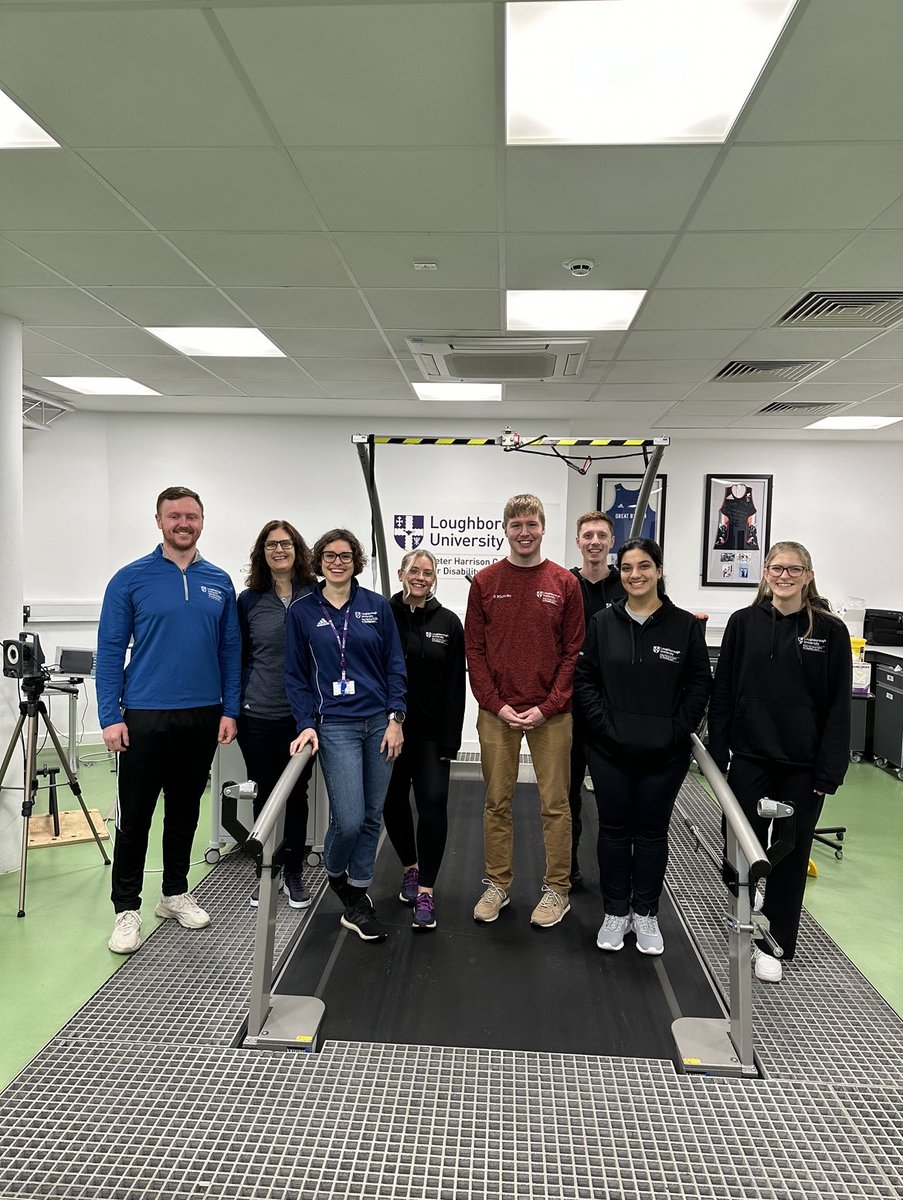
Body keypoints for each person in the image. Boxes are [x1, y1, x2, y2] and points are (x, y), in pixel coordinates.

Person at [96, 486, 241, 955]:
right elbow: (111, 650)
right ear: (158, 521)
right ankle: (125, 909)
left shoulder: (219, 581)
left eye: (192, 516)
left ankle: (174, 894)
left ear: (203, 521)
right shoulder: (130, 579)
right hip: (143, 714)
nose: (184, 523)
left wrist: (229, 708)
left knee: (184, 812)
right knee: (134, 817)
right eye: (174, 515)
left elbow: (230, 651)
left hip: (201, 714)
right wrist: (108, 715)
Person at [707, 540, 851, 983]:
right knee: (739, 845)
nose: (783, 576)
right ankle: (743, 911)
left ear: (808, 575)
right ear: (765, 573)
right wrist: (717, 753)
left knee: (790, 855)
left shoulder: (829, 632)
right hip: (749, 757)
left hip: (802, 767)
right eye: (775, 568)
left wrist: (829, 771)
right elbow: (724, 692)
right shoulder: (744, 623)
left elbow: (838, 708)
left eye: (793, 569)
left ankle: (776, 942)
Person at [574, 538, 711, 956]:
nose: (636, 575)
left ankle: (646, 913)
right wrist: (604, 728)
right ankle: (616, 911)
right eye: (628, 567)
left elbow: (699, 684)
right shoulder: (602, 622)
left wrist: (675, 732)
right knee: (613, 832)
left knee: (651, 834)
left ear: (659, 570)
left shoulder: (684, 625)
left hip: (664, 754)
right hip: (610, 751)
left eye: (644, 566)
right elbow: (586, 680)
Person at [464, 494, 584, 929]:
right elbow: (473, 651)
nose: (524, 532)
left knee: (556, 804)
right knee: (497, 802)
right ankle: (497, 883)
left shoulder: (563, 583)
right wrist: (497, 705)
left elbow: (574, 653)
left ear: (543, 527)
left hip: (551, 714)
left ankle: (558, 890)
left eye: (531, 523)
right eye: (516, 524)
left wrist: (547, 706)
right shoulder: (485, 581)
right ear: (506, 529)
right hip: (498, 714)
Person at [285, 529, 406, 942]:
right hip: (334, 725)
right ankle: (338, 879)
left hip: (378, 722)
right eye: (330, 556)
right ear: (318, 561)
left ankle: (357, 896)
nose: (338, 562)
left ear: (357, 561)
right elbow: (296, 677)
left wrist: (396, 718)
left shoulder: (376, 607)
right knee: (350, 818)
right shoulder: (302, 611)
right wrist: (305, 723)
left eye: (347, 556)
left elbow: (394, 664)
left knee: (373, 816)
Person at [383, 550, 466, 932]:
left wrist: (451, 742)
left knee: (433, 803)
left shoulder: (449, 623)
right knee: (392, 801)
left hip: (432, 735)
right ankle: (410, 869)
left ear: (435, 578)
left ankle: (427, 892)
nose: (419, 577)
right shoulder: (383, 614)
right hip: (389, 731)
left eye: (427, 572)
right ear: (401, 573)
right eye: (413, 570)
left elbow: (454, 688)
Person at [238, 520, 317, 909]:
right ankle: (265, 872)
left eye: (285, 544)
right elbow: (236, 657)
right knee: (265, 795)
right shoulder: (249, 600)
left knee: (297, 796)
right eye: (271, 545)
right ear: (262, 552)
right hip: (259, 715)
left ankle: (293, 872)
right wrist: (231, 710)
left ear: (297, 549)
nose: (279, 550)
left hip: (302, 718)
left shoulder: (316, 595)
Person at [568, 510, 626, 886]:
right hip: (570, 709)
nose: (594, 541)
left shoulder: (628, 586)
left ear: (611, 542)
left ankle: (614, 875)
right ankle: (567, 869)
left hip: (614, 711)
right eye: (587, 535)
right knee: (566, 795)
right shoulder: (564, 585)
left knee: (613, 797)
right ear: (578, 542)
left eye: (601, 535)